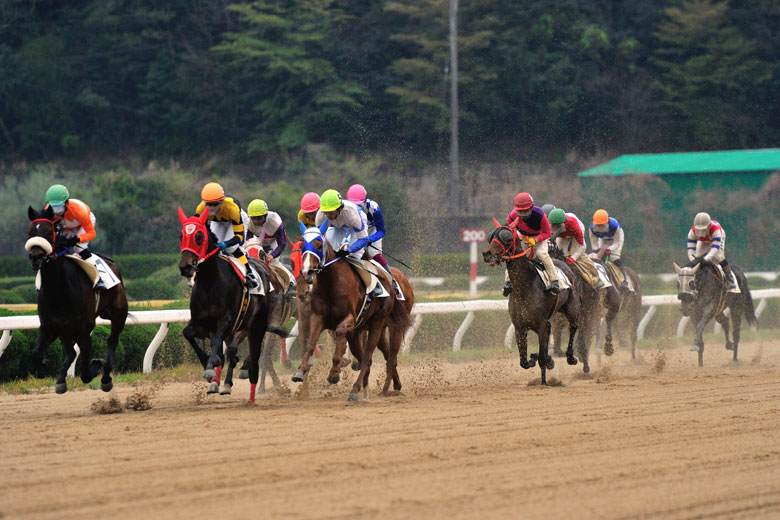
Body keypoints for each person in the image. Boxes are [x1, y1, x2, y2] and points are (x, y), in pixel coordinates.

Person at [315, 189, 382, 297]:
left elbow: (363, 239)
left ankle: (374, 283)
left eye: (331, 212)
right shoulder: (320, 215)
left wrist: (348, 250)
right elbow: (318, 239)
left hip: (355, 227)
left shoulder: (352, 213)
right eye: (326, 212)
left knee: (354, 256)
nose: (328, 216)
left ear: (340, 208)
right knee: (328, 252)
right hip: (337, 227)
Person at [43, 184, 107, 291]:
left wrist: (77, 239)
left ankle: (98, 279)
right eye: (53, 206)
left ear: (66, 202)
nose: (56, 210)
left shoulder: (79, 211)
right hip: (67, 226)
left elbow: (92, 233)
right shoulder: (48, 211)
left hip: (83, 223)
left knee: (79, 248)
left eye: (59, 206)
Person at [195, 182, 258, 289]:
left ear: (222, 201)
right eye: (208, 204)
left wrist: (226, 243)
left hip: (235, 220)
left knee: (231, 248)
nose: (211, 208)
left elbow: (239, 237)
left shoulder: (232, 208)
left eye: (215, 204)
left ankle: (249, 273)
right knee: (213, 248)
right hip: (218, 221)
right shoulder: (200, 210)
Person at [346, 183, 403, 299]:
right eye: (353, 204)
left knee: (373, 254)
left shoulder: (374, 208)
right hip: (356, 231)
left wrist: (369, 240)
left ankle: (393, 281)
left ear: (364, 201)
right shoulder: (345, 208)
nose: (356, 208)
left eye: (358, 205)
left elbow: (381, 231)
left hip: (372, 231)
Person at [504, 192, 559, 295]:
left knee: (542, 254)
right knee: (514, 255)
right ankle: (508, 282)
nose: (522, 215)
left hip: (539, 237)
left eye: (525, 211)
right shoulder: (512, 216)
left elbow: (547, 233)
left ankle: (554, 281)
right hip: (523, 236)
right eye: (520, 211)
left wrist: (536, 240)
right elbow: (510, 230)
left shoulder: (540, 214)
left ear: (531, 207)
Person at [549, 208, 599, 287]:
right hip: (563, 235)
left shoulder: (573, 224)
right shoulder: (549, 226)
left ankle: (591, 274)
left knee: (572, 253)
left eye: (558, 226)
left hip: (574, 231)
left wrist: (573, 258)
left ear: (564, 223)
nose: (556, 229)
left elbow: (583, 246)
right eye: (554, 226)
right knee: (560, 253)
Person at [687, 212, 735, 290]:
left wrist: (706, 259)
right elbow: (691, 250)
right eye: (698, 230)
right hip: (703, 241)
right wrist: (693, 261)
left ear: (709, 227)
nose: (700, 233)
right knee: (697, 256)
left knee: (719, 256)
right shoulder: (692, 232)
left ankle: (730, 278)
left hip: (716, 238)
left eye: (703, 230)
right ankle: (697, 278)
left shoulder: (716, 231)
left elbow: (714, 249)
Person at [588, 209, 628, 289]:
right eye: (598, 225)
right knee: (597, 258)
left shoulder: (614, 226)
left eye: (602, 225)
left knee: (614, 258)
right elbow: (594, 245)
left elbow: (617, 242)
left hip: (615, 239)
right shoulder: (591, 228)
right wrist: (597, 252)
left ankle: (624, 281)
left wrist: (609, 249)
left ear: (607, 222)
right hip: (603, 240)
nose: (599, 228)